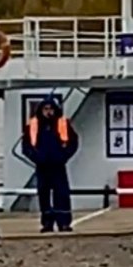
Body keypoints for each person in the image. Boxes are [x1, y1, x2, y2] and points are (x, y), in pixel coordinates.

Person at [24, 96, 80, 232]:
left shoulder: (63, 124)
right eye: (46, 109)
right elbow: (26, 146)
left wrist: (64, 156)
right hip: (42, 166)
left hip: (58, 165)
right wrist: (36, 157)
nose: (48, 112)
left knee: (62, 194)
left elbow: (74, 142)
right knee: (44, 195)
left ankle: (64, 223)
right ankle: (47, 223)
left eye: (51, 109)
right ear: (41, 110)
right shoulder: (33, 125)